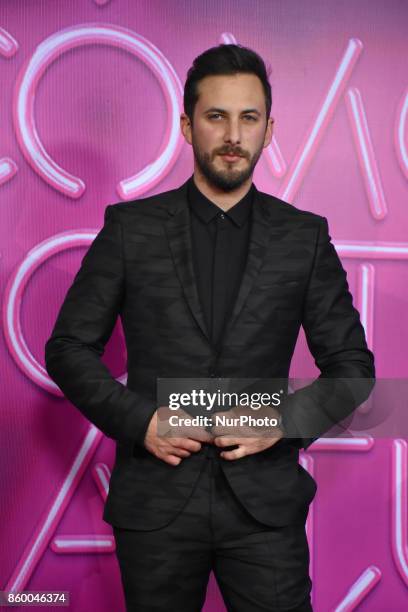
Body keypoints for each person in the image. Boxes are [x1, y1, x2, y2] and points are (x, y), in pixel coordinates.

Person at [45, 44, 375, 612]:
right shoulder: (132, 230)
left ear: (269, 129)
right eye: (216, 116)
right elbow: (69, 347)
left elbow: (353, 370)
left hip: (265, 508)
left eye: (248, 118)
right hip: (156, 506)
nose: (232, 134)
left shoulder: (304, 237)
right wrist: (141, 420)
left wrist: (279, 424)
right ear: (185, 125)